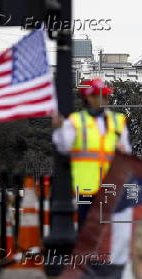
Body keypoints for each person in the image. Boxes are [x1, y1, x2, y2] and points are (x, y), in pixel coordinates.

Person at [52, 78, 131, 227]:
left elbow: (127, 153)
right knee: (87, 231)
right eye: (102, 96)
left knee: (109, 234)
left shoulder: (118, 120)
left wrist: (123, 152)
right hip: (86, 189)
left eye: (107, 96)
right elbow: (63, 147)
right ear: (89, 97)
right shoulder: (75, 121)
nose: (106, 99)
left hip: (111, 188)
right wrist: (59, 128)